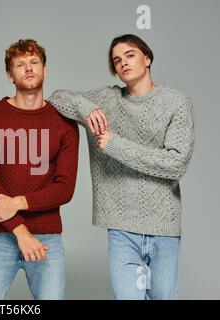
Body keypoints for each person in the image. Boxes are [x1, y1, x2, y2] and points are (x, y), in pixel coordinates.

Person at [48, 34, 195, 299]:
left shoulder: (176, 102)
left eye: (130, 55)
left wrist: (116, 146)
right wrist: (87, 107)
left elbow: (175, 164)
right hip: (121, 228)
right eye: (117, 60)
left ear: (147, 58)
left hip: (163, 226)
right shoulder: (107, 99)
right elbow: (57, 98)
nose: (123, 63)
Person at [0, 39, 79, 299]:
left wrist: (18, 202)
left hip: (47, 237)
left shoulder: (65, 123)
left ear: (46, 70)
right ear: (10, 75)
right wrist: (21, 233)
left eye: (34, 62)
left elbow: (64, 189)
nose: (28, 68)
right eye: (20, 64)